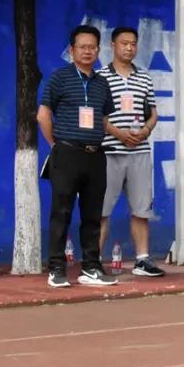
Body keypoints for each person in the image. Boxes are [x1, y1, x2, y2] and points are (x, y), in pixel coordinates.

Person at [36, 24, 117, 288]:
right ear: (72, 50)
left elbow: (104, 118)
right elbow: (43, 115)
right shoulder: (59, 78)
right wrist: (56, 145)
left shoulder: (102, 82)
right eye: (82, 47)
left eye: (92, 47)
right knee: (61, 212)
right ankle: (57, 268)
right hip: (67, 154)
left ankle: (91, 267)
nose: (88, 52)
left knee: (93, 214)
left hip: (95, 156)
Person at [97, 27, 165, 276]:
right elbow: (97, 115)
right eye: (124, 43)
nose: (129, 48)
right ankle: (94, 262)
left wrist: (145, 131)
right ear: (112, 45)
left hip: (139, 152)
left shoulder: (144, 77)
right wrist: (118, 133)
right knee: (101, 209)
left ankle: (142, 260)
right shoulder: (100, 77)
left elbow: (153, 113)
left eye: (133, 44)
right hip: (109, 152)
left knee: (141, 209)